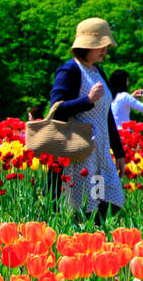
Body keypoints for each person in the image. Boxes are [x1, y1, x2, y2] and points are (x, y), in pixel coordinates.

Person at [47, 18, 124, 225]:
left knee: (111, 198)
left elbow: (107, 115)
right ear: (85, 46)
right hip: (78, 153)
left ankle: (95, 233)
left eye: (106, 46)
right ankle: (83, 238)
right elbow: (57, 109)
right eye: (100, 45)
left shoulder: (99, 71)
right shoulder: (69, 70)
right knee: (83, 205)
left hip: (99, 153)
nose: (104, 50)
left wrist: (119, 153)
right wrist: (87, 100)